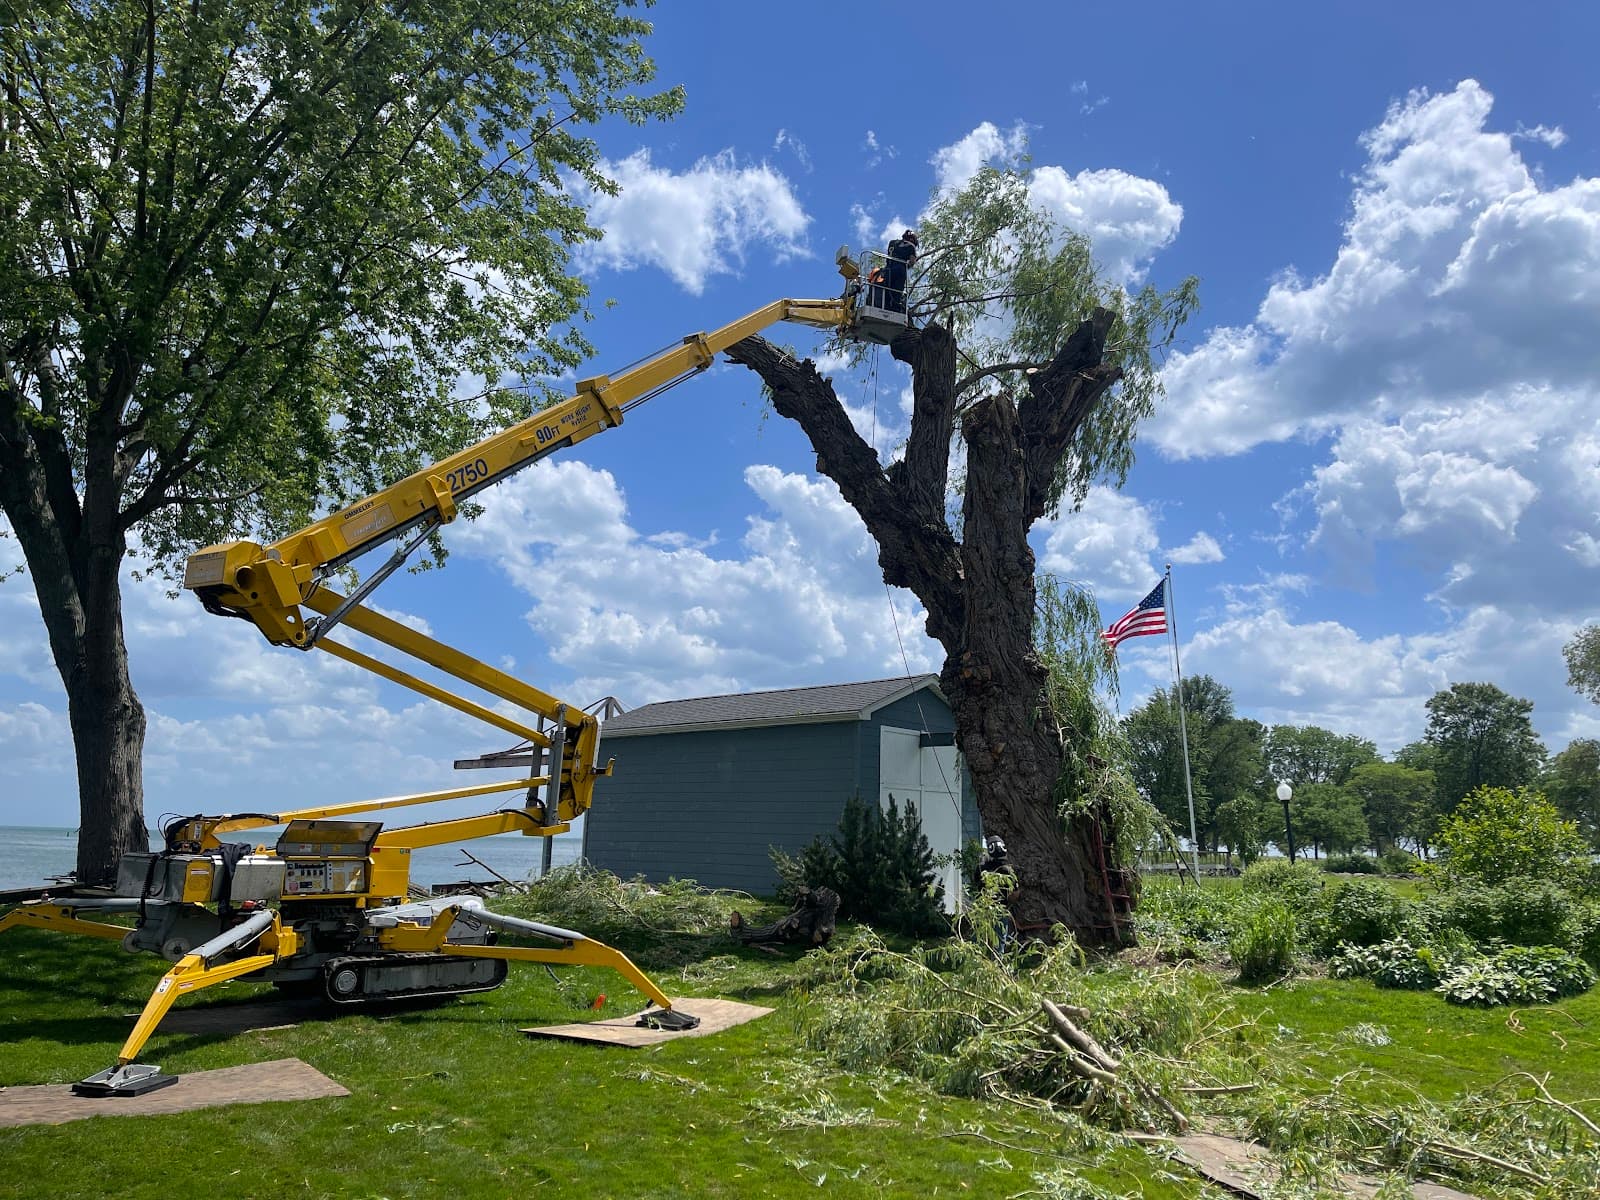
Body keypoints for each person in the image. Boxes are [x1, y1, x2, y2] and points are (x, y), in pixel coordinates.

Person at [883, 229, 918, 313]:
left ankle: (884, 306)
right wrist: (908, 266)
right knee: (897, 291)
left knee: (886, 289)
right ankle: (895, 308)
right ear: (912, 239)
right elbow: (912, 262)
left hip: (888, 270)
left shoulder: (892, 243)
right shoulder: (911, 246)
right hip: (900, 270)